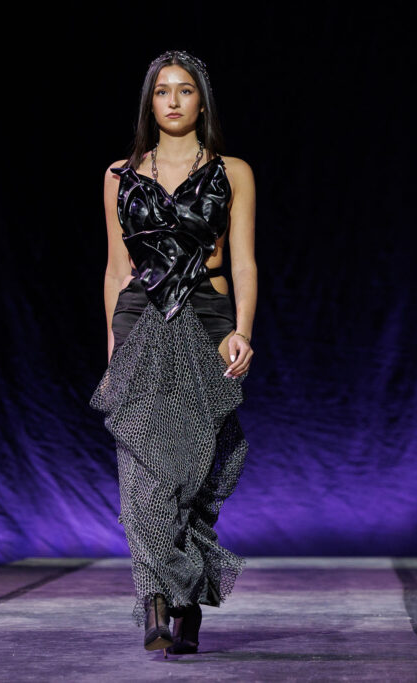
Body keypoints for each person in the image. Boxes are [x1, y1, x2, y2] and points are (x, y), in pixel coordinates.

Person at [89, 49, 257, 657]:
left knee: (197, 468)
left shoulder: (232, 170)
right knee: (142, 466)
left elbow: (242, 261)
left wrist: (241, 329)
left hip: (207, 319)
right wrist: (114, 346)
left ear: (201, 101)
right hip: (140, 320)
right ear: (149, 102)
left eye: (185, 90)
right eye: (163, 91)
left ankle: (184, 600)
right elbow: (114, 270)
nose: (174, 101)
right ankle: (156, 604)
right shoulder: (119, 175)